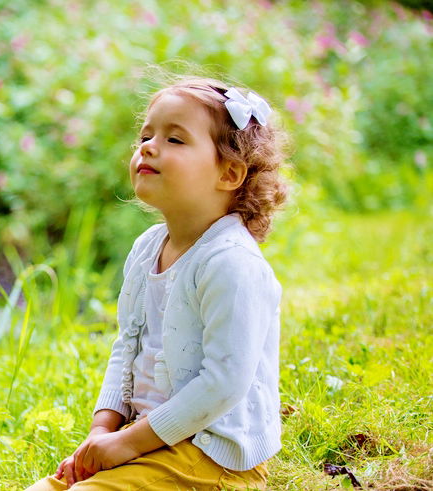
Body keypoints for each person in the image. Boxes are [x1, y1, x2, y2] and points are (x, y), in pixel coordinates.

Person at [25, 74, 290, 490]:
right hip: (144, 440)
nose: (147, 146)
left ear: (230, 174)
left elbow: (223, 384)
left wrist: (129, 443)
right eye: (146, 135)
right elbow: (126, 345)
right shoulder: (148, 247)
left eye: (175, 140)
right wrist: (103, 431)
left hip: (210, 455)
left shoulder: (231, 264)